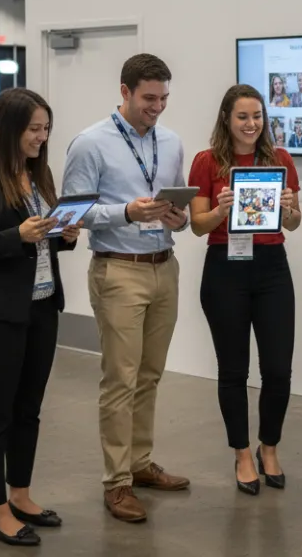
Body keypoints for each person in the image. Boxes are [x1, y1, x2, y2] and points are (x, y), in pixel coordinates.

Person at [61, 54, 191, 523]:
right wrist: (125, 213)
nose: (157, 108)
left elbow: (179, 203)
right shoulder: (90, 143)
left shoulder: (171, 141)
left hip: (164, 265)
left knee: (151, 375)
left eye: (163, 99)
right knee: (121, 379)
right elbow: (70, 214)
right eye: (148, 99)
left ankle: (139, 464)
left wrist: (181, 215)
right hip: (118, 270)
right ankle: (116, 482)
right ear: (125, 92)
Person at [0, 88, 80, 548]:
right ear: (10, 128)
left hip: (42, 306)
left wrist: (64, 235)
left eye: (46, 129)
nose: (41, 138)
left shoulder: (36, 172)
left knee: (29, 409)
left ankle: (21, 494)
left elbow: (43, 240)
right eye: (34, 129)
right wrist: (16, 236)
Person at [188, 85, 302, 496]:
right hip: (224, 269)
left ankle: (269, 447)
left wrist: (289, 209)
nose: (251, 124)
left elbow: (293, 224)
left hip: (272, 269)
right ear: (226, 119)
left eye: (257, 116)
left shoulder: (281, 159)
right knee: (233, 371)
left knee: (278, 370)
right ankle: (241, 453)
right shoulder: (206, 162)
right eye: (242, 117)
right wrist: (220, 210)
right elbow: (197, 224)